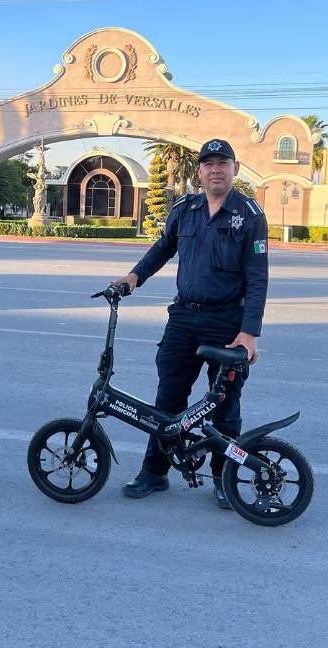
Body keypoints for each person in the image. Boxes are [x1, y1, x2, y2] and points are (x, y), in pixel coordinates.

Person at [115, 138, 270, 509]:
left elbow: (258, 276)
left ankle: (223, 479)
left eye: (222, 163)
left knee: (225, 405)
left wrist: (249, 332)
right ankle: (154, 472)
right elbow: (163, 248)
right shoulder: (185, 209)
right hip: (183, 318)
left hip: (227, 321)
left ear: (235, 168)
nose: (215, 169)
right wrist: (135, 276)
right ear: (199, 171)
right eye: (208, 163)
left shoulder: (249, 215)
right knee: (167, 399)